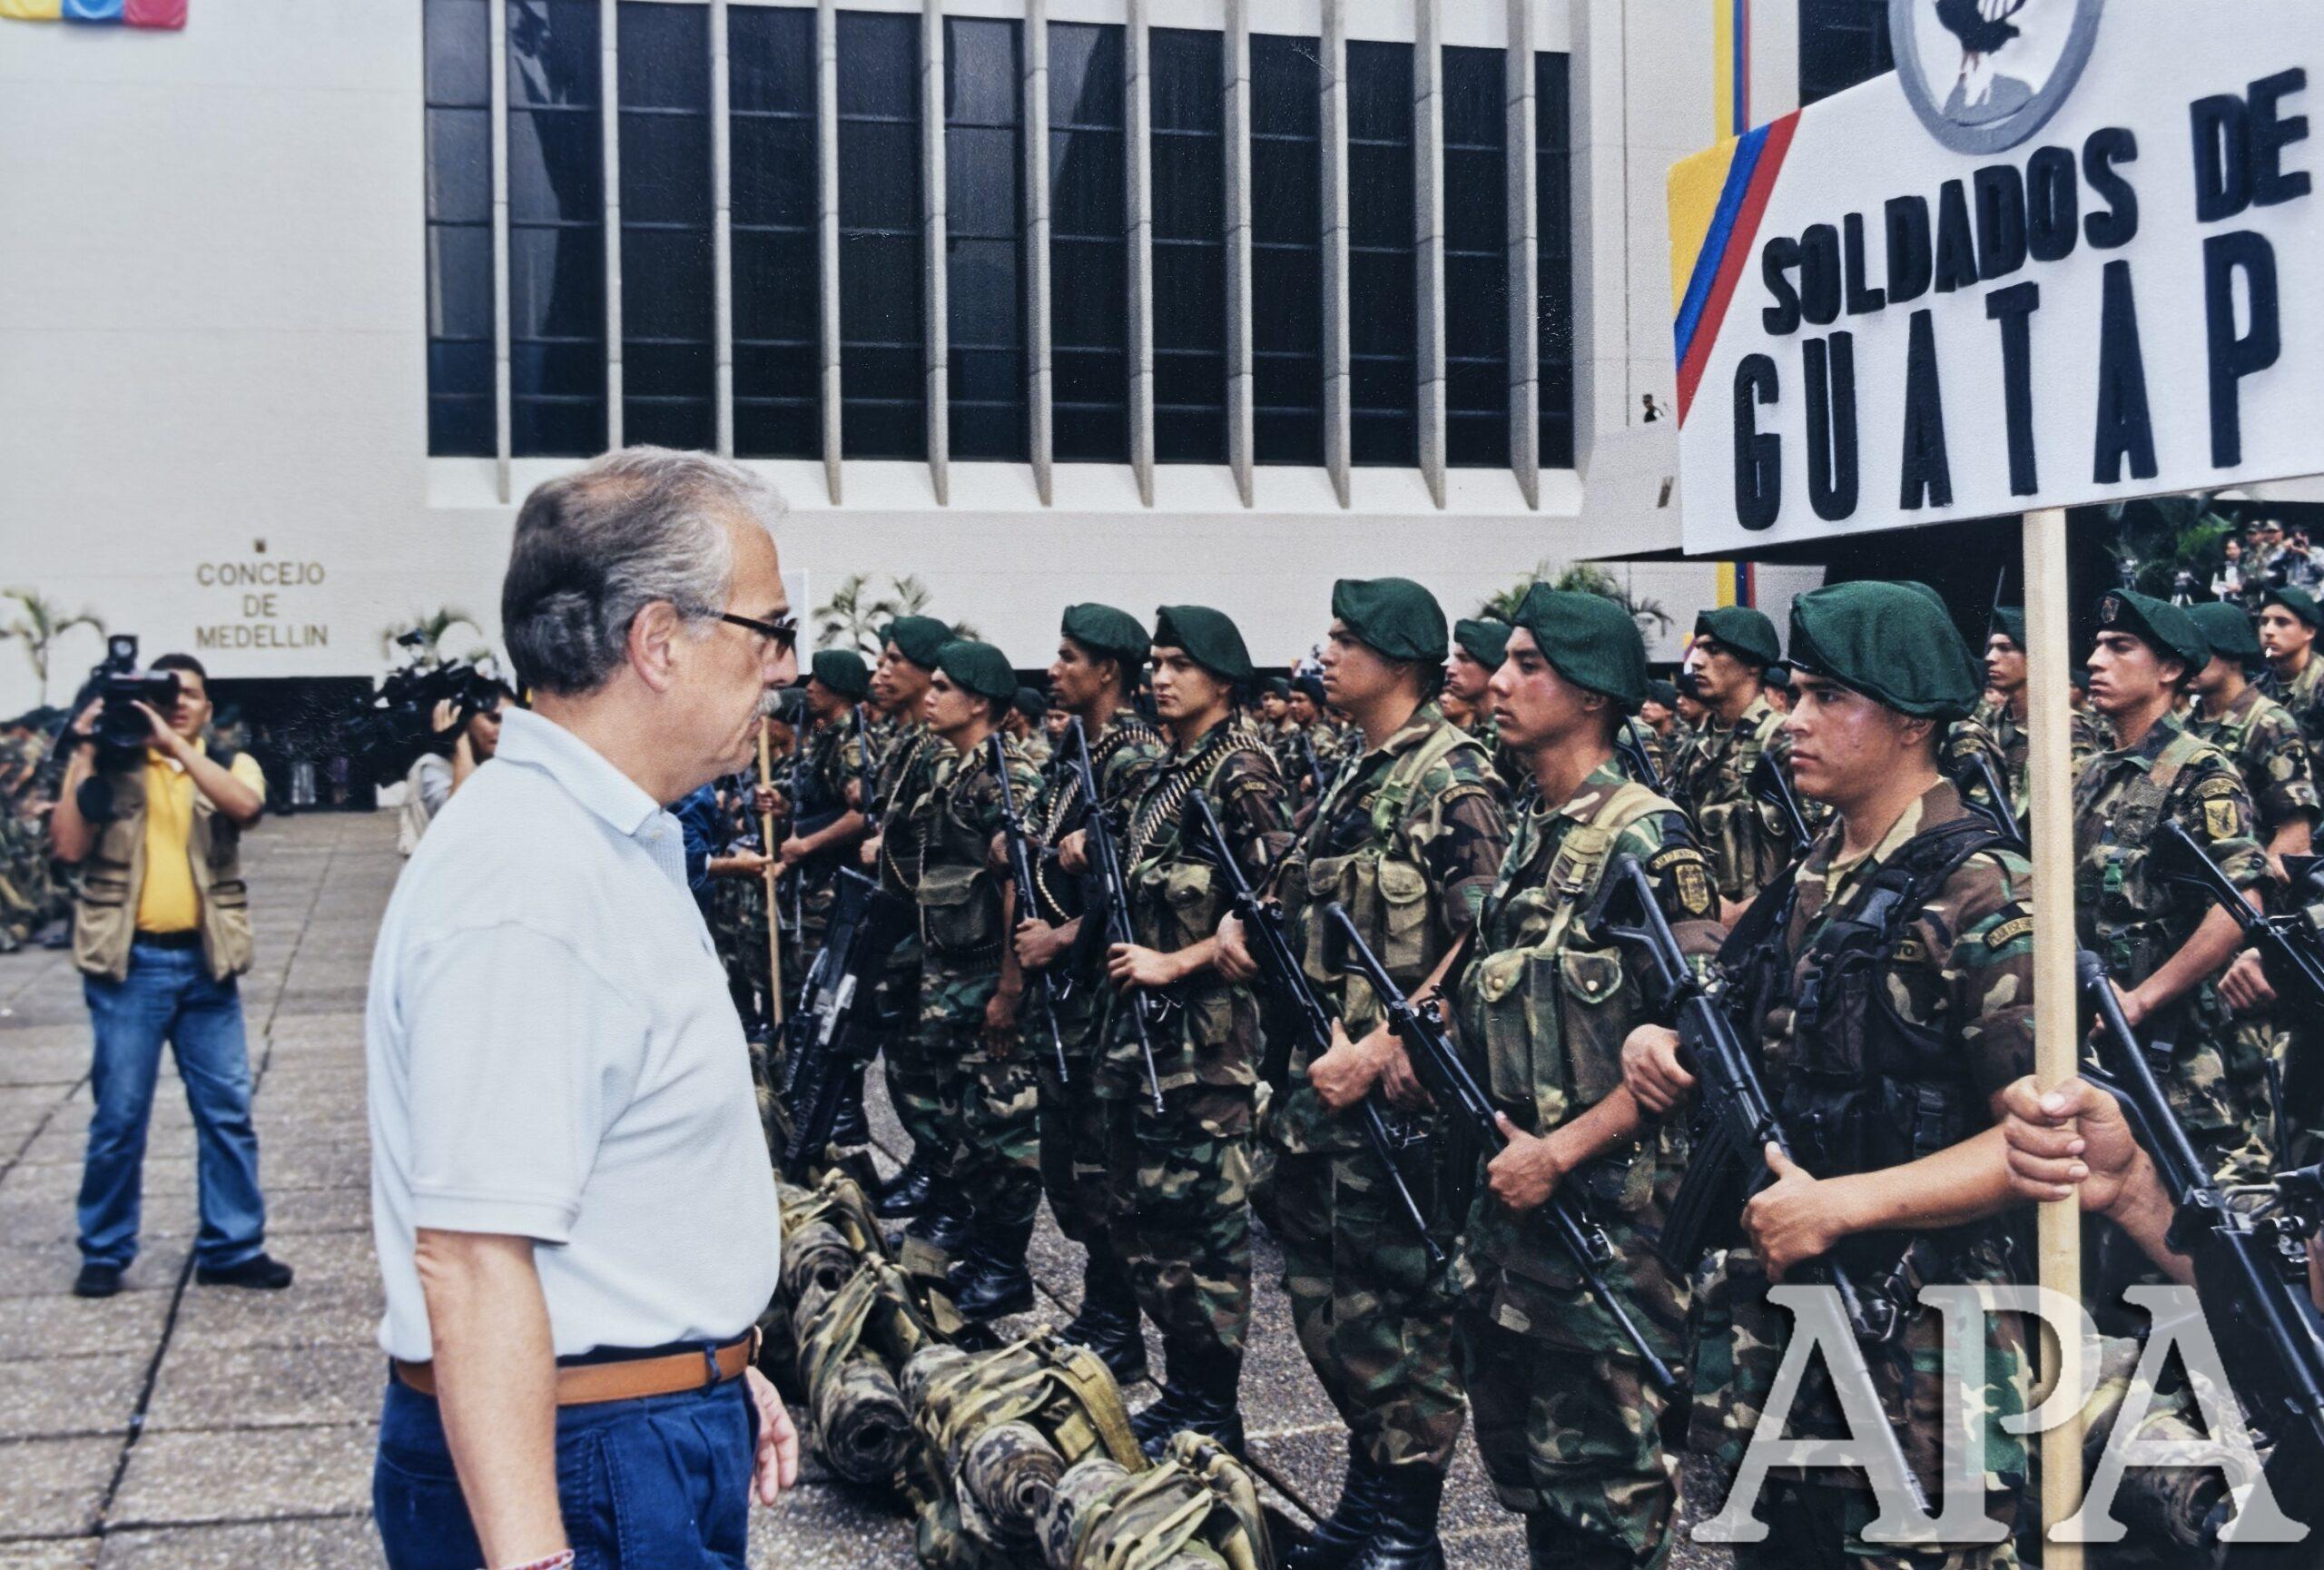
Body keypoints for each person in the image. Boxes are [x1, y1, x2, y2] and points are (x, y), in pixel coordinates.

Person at [365, 449, 801, 1570]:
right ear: (659, 641)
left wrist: (701, 1358)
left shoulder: (597, 842)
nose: (786, 668)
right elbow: (471, 1255)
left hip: (619, 1423)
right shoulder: (530, 882)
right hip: (580, 1458)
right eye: (768, 629)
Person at [1625, 580, 2037, 1570]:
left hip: (1916, 1342)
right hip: (1783, 1330)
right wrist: (1663, 1040)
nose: (1793, 720)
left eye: (1826, 697)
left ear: (1910, 720)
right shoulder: (1818, 868)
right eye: (1796, 693)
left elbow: (2039, 1142)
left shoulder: (1985, 891)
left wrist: (1844, 1204)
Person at [1242, 579, 1509, 1570]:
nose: (1324, 653)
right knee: (1333, 1311)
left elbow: (1490, 933)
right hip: (1324, 1095)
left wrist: (1399, 1037)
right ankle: (1367, 1499)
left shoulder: (1454, 780)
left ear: (1398, 662)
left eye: (1344, 639)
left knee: (1402, 1318)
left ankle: (1406, 1526)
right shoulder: (1360, 770)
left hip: (1397, 1108)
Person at [1450, 587, 1718, 1570]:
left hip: (1611, 1236)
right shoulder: (1537, 827)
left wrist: (1559, 1152)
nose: (1499, 681)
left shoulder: (1647, 839)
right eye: (1505, 661)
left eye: (1529, 665)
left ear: (1595, 693)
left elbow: (1700, 1039)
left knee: (1602, 1506)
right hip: (1518, 1227)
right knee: (1538, 1491)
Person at [1087, 604, 1290, 1458]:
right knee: (1151, 1224)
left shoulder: (1241, 771)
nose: (1160, 677)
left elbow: (1278, 903)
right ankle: (1186, 1391)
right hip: (1147, 1041)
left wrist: (1180, 961)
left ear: (1223, 679)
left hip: (1207, 1047)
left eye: (1180, 664)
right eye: (1157, 662)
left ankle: (1211, 1407)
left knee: (1204, 1235)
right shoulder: (1171, 770)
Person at [48, 652, 289, 1300]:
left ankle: (233, 1248)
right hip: (128, 968)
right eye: (165, 692)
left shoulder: (229, 762)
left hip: (208, 967)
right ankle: (104, 1250)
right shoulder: (113, 765)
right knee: (119, 1118)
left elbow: (246, 808)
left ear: (208, 708)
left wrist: (175, 748)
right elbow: (68, 847)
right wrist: (83, 748)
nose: (178, 701)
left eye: (190, 694)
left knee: (227, 1113)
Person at [1013, 604, 1167, 1378]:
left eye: (1069, 656)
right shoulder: (1080, 751)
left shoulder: (1133, 760)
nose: (1054, 669)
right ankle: (1105, 1312)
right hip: (1069, 999)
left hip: (1103, 996)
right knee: (1071, 1169)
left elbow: (1137, 890)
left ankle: (1117, 1323)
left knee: (1101, 1170)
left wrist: (1061, 939)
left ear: (1108, 670)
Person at [2074, 591, 2272, 1181]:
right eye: (2097, 645)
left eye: (2119, 647)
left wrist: (2141, 999)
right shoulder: (2093, 772)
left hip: (2172, 1055)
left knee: (2192, 1212)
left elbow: (2239, 903)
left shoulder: (2201, 771)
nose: (2094, 660)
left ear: (2168, 670)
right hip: (2094, 1043)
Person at [903, 639, 1043, 1317]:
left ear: (979, 701)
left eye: (942, 686)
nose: (928, 697)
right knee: (966, 1126)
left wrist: (1009, 992)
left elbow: (1020, 884)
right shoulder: (957, 771)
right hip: (952, 977)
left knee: (1003, 1133)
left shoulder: (1006, 777)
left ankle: (1004, 1267)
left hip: (989, 979)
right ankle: (983, 1253)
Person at [861, 615, 956, 1228]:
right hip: (900, 928)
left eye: (895, 660)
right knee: (906, 1064)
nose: (882, 671)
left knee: (929, 1072)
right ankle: (928, 1166)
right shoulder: (908, 741)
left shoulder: (940, 749)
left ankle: (944, 1188)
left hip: (930, 937)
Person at [1668, 606, 1796, 919]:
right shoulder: (1694, 747)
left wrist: (1750, 913)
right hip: (1703, 919)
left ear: (1752, 665)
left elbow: (1820, 847)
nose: (1697, 661)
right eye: (1698, 649)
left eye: (1713, 651)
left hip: (1771, 925)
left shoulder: (1783, 740)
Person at [2185, 600, 2318, 881]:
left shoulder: (2268, 723)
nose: (2186, 660)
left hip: (2243, 887)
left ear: (2232, 654)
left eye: (2199, 650)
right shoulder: (2187, 725)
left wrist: (2251, 888)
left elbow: (2295, 835)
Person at [398, 685, 513, 856]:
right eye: (493, 719)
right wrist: (459, 738)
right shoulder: (432, 767)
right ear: (465, 719)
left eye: (510, 722)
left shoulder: (500, 767)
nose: (502, 729)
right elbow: (459, 820)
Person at [2257, 585, 2324, 750]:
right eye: (2264, 622)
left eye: (2282, 622)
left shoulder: (2319, 683)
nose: (2268, 631)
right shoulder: (2260, 686)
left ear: (2309, 631)